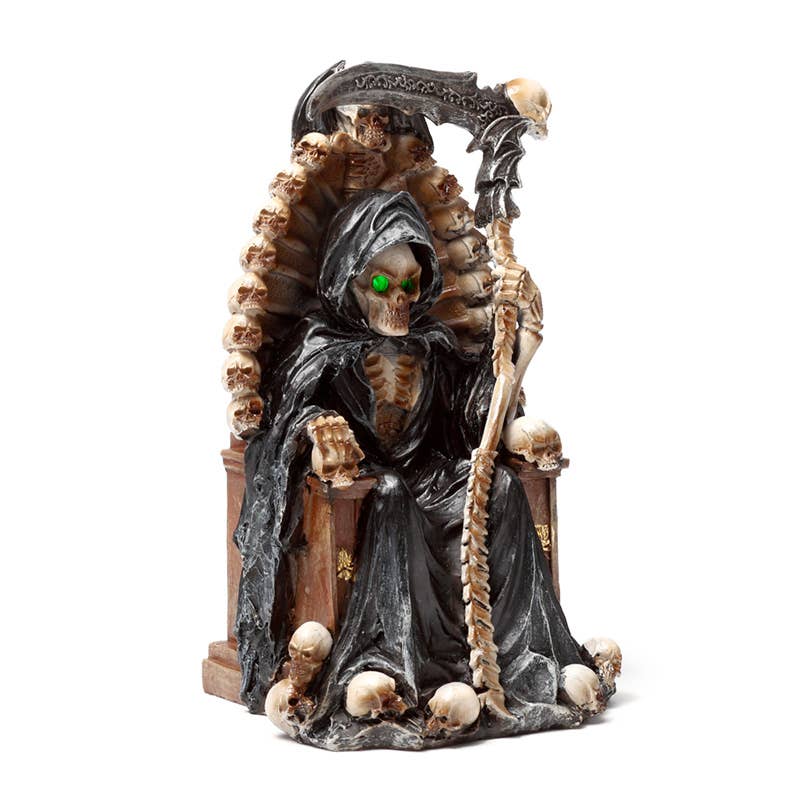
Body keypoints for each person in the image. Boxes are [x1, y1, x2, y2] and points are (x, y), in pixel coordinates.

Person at [234, 190, 597, 749]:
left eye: (410, 283)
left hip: (429, 473)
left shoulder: (434, 343)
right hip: (370, 485)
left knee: (500, 486)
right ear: (347, 280)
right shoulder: (317, 344)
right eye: (380, 283)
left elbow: (475, 417)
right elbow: (277, 424)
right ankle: (384, 661)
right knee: (391, 493)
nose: (398, 299)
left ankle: (521, 656)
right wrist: (315, 427)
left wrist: (521, 346)